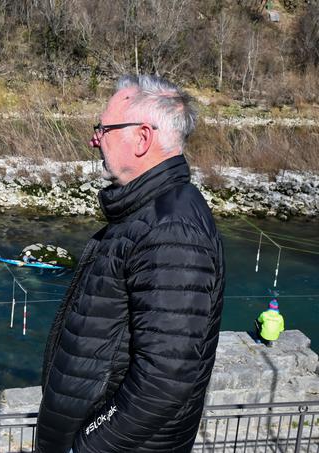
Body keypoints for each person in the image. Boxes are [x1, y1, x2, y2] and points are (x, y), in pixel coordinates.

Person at [36, 75, 225, 453]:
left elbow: (166, 378)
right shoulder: (147, 215)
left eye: (103, 129)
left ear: (141, 138)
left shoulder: (172, 229)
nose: (94, 139)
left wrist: (88, 444)